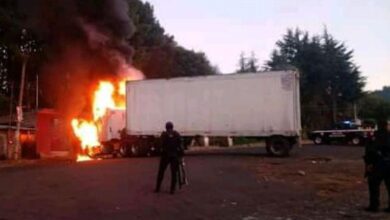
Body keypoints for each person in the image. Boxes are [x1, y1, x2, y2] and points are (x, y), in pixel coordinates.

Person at [364, 118, 390, 212]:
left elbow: (370, 151)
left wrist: (369, 164)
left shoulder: (373, 136)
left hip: (377, 164)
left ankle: (374, 206)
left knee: (374, 186)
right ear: (386, 126)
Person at [155, 122, 183, 194]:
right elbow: (180, 146)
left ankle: (158, 188)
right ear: (172, 127)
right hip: (174, 156)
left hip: (165, 156)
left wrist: (160, 152)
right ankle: (172, 189)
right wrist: (180, 156)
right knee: (174, 173)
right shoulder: (176, 134)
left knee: (161, 172)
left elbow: (160, 145)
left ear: (166, 127)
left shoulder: (164, 134)